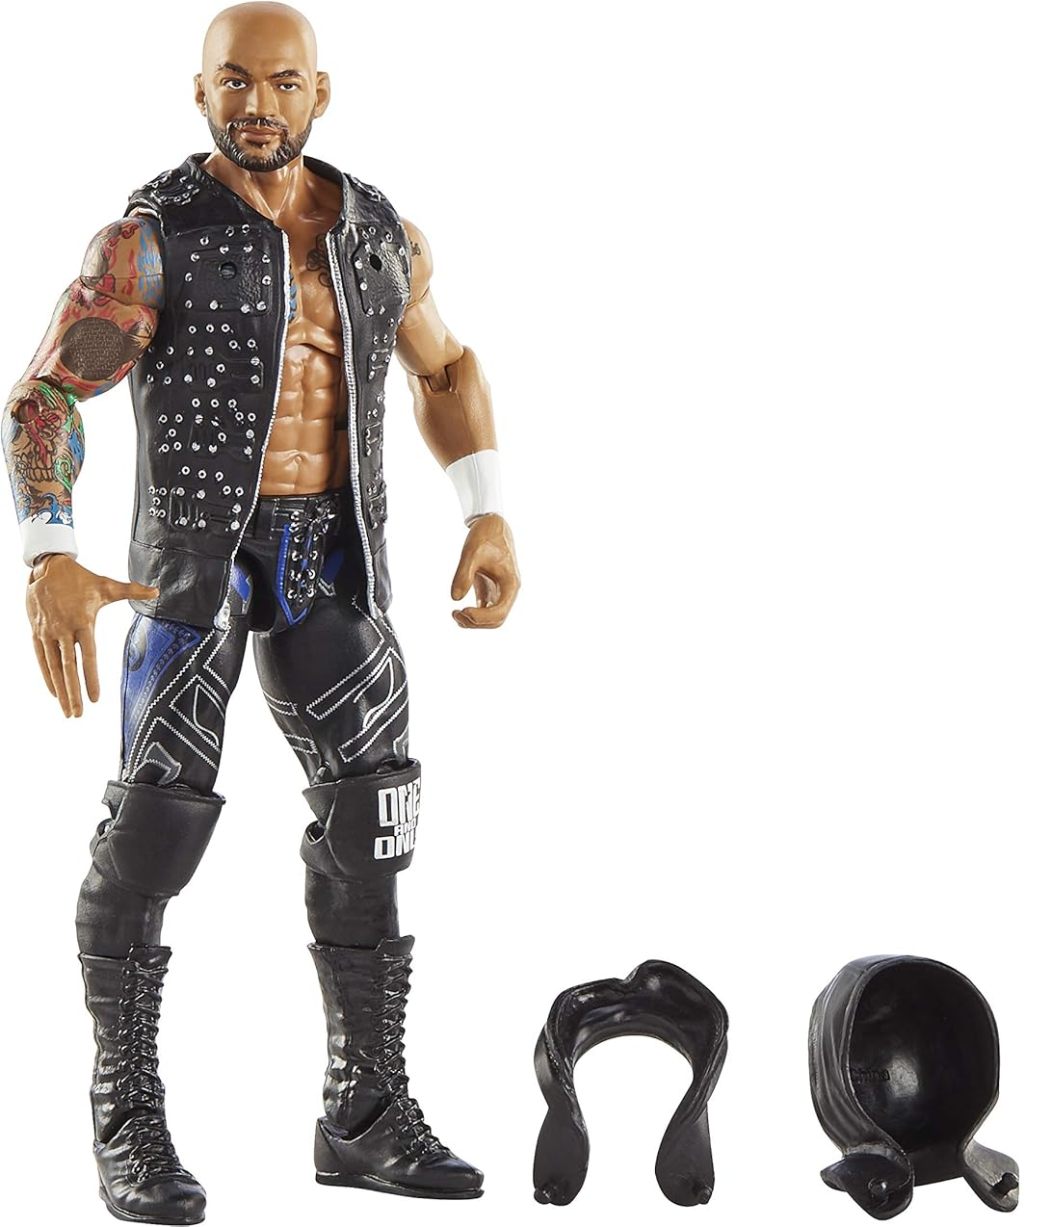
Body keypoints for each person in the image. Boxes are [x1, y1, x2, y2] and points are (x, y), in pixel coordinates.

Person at [3, 4, 519, 1220]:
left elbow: (444, 368)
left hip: (333, 558)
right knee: (151, 835)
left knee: (374, 822)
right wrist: (49, 553)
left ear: (318, 94)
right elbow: (47, 397)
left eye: (282, 83)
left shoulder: (379, 235)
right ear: (199, 94)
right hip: (192, 570)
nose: (257, 104)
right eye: (233, 81)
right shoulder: (151, 242)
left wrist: (487, 508)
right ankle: (126, 1121)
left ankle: (365, 1116)